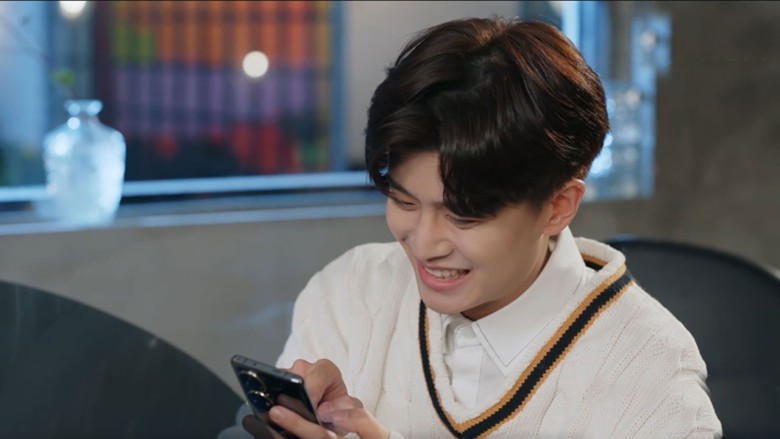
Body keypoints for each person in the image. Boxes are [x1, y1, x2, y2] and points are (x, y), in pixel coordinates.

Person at [225, 16, 722, 439]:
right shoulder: (350, 294)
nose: (425, 244)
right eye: (403, 200)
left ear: (558, 206)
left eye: (463, 216)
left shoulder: (650, 379)